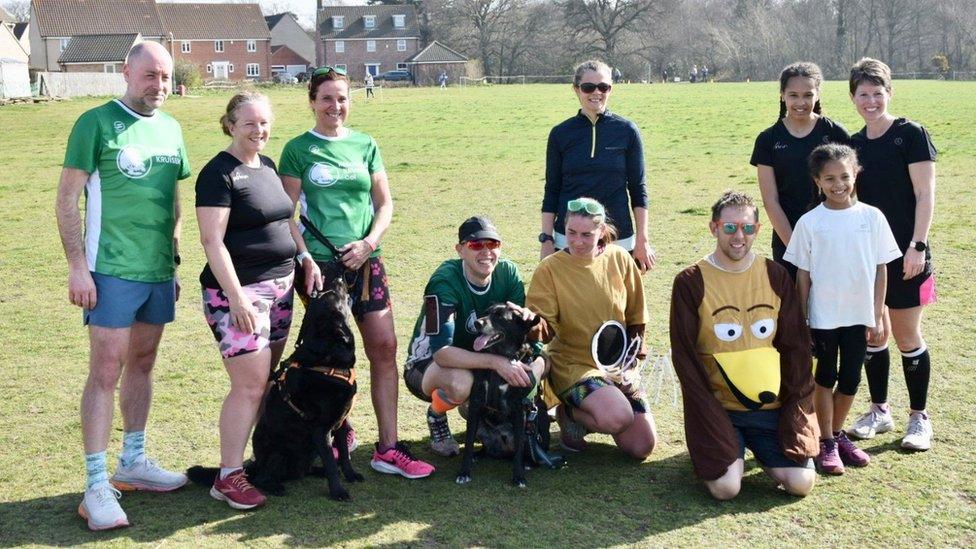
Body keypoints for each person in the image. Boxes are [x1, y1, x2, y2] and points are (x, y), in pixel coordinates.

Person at [55, 42, 190, 531]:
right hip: (108, 269)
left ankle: (133, 461)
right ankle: (95, 485)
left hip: (156, 272)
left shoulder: (172, 128)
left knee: (145, 362)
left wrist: (173, 262)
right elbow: (68, 198)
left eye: (166, 77)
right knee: (105, 370)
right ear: (127, 72)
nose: (158, 85)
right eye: (150, 75)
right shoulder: (94, 122)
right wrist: (77, 266)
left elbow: (173, 199)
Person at [279, 66, 434, 479]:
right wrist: (305, 259)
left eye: (342, 98)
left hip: (367, 261)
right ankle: (337, 432)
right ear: (312, 101)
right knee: (330, 357)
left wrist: (368, 243)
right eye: (327, 98)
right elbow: (286, 213)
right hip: (321, 268)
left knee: (383, 346)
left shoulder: (366, 145)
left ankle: (387, 447)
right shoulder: (297, 149)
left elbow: (385, 204)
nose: (335, 106)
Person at [195, 92, 315, 509]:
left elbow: (286, 219)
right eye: (249, 123)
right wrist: (236, 299)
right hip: (241, 294)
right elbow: (212, 240)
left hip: (282, 288)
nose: (258, 131)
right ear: (229, 124)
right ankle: (228, 476)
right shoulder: (218, 173)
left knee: (266, 379)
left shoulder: (266, 165)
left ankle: (263, 459)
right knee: (247, 386)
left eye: (264, 123)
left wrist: (304, 257)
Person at [669, 191, 818, 500]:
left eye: (747, 228)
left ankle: (753, 448)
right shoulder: (690, 281)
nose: (739, 236)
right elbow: (684, 356)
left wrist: (795, 412)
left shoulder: (774, 275)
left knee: (800, 483)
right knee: (726, 488)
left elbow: (795, 348)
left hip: (770, 408)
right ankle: (724, 450)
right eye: (730, 228)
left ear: (757, 230)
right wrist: (706, 414)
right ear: (713, 228)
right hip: (719, 408)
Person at [784, 144, 901, 475]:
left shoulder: (872, 217)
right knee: (826, 375)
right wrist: (803, 318)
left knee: (850, 377)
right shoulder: (810, 222)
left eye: (845, 176)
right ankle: (825, 441)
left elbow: (881, 269)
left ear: (856, 174)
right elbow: (803, 275)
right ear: (817, 181)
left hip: (859, 314)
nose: (838, 185)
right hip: (823, 316)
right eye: (829, 178)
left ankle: (835, 434)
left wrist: (877, 314)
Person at [846, 58, 938, 451]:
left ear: (890, 93)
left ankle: (919, 419)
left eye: (877, 93)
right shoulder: (854, 145)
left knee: (905, 335)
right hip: (869, 259)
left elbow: (925, 194)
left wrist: (916, 246)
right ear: (853, 98)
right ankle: (879, 411)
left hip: (907, 256)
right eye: (863, 94)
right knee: (873, 333)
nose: (870, 101)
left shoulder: (910, 134)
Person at [402, 217, 547, 457]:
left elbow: (520, 334)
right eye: (476, 245)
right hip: (428, 364)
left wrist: (535, 362)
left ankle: (481, 411)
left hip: (478, 355)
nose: (486, 252)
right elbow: (442, 353)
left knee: (541, 363)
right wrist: (497, 363)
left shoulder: (508, 273)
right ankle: (437, 415)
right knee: (461, 383)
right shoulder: (443, 281)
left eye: (493, 244)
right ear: (460, 250)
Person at [527, 197, 656, 459]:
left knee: (642, 446)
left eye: (587, 234)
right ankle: (569, 413)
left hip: (617, 365)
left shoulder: (619, 258)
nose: (577, 241)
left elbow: (636, 318)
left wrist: (631, 365)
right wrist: (528, 322)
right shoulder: (550, 268)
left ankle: (589, 411)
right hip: (573, 364)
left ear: (602, 232)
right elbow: (545, 328)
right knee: (618, 416)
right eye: (571, 233)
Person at [541, 60, 656, 273]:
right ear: (576, 89)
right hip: (569, 238)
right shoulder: (560, 134)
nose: (597, 92)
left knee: (616, 303)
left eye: (603, 87)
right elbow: (552, 190)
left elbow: (638, 190)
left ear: (610, 89)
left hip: (618, 238)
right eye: (588, 87)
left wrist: (643, 240)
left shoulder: (627, 131)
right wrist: (546, 239)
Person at [750, 62, 850, 280]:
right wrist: (797, 248)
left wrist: (835, 236)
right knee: (794, 309)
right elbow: (770, 200)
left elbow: (850, 190)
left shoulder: (835, 133)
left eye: (808, 95)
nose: (801, 102)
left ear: (818, 94)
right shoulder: (768, 140)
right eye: (793, 95)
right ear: (782, 95)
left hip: (833, 237)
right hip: (788, 240)